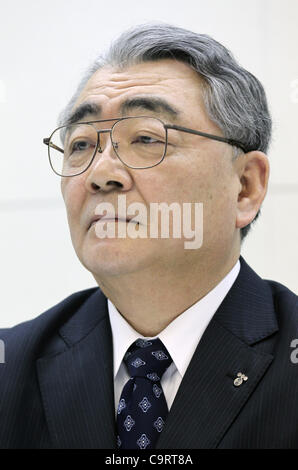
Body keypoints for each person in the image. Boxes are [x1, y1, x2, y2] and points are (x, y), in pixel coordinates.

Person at [0, 23, 297, 450]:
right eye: (81, 144)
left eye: (145, 138)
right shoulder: (11, 369)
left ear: (245, 187)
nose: (101, 174)